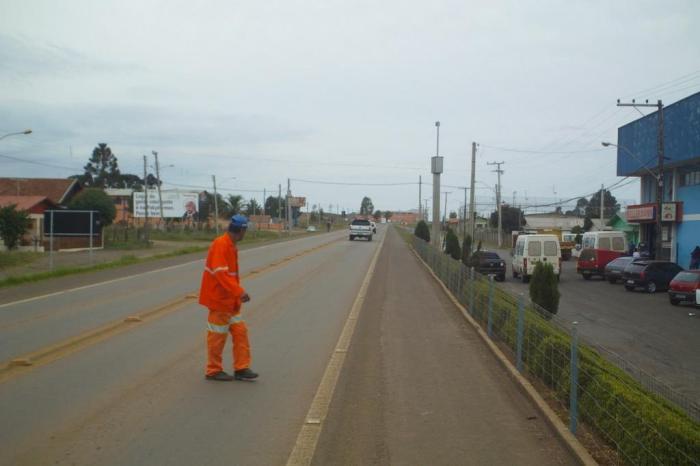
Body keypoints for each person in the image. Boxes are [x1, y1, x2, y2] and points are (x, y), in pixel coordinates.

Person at [198, 214, 259, 381]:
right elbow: (221, 274)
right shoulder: (221, 245)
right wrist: (239, 292)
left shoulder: (231, 245)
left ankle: (241, 368)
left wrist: (236, 295)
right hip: (219, 301)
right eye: (245, 230)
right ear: (240, 230)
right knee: (217, 337)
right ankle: (213, 370)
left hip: (231, 301)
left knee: (240, 332)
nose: (245, 233)